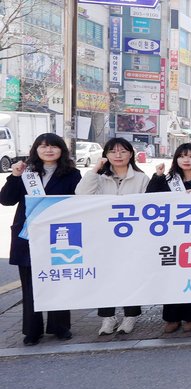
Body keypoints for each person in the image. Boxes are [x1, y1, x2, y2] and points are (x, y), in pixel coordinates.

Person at [0, 133, 81, 346]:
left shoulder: (72, 174)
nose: (48, 150)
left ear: (62, 150)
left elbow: (80, 202)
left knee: (58, 280)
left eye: (53, 146)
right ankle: (32, 331)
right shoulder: (26, 172)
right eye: (43, 146)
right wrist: (14, 176)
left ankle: (60, 327)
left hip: (58, 235)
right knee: (29, 285)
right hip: (28, 235)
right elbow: (6, 200)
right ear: (36, 150)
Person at [77, 137, 150, 335]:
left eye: (123, 151)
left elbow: (147, 206)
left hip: (131, 237)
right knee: (105, 277)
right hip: (103, 237)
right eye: (112, 151)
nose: (118, 155)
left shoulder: (141, 178)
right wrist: (95, 169)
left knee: (130, 276)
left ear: (130, 154)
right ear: (105, 155)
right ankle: (108, 318)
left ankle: (130, 316)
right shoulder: (98, 178)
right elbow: (81, 195)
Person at [147, 143, 191, 334]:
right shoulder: (166, 180)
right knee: (171, 276)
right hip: (171, 237)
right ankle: (172, 318)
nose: (186, 160)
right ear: (176, 159)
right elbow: (149, 199)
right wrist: (157, 176)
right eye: (182, 156)